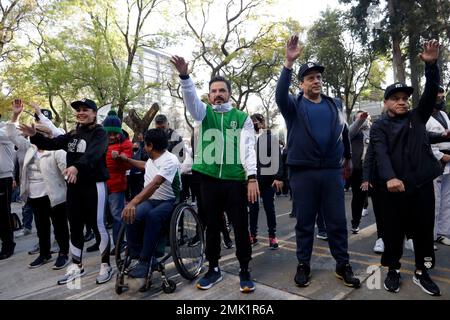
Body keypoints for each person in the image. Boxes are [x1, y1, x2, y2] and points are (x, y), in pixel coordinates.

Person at [275, 35, 360, 288]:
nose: (316, 81)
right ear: (301, 84)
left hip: (332, 172)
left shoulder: (335, 105)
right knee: (305, 222)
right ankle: (303, 264)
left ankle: (342, 264)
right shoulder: (294, 105)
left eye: (319, 77)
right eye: (310, 78)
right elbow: (280, 95)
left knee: (337, 222)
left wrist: (347, 157)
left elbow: (343, 132)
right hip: (303, 173)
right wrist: (288, 63)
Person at [171, 55, 259, 293]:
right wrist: (185, 78)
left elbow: (249, 148)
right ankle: (214, 269)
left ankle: (244, 270)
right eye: (213, 91)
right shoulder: (203, 114)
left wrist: (252, 177)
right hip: (208, 179)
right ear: (208, 95)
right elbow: (190, 102)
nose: (218, 94)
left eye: (222, 90)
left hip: (235, 180)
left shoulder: (241, 118)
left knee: (241, 227)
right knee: (210, 226)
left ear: (229, 93)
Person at [370, 40, 442, 296]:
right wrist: (389, 177)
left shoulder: (417, 117)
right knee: (393, 234)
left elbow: (431, 92)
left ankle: (422, 273)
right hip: (393, 190)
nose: (402, 102)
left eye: (405, 99)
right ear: (387, 102)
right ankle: (393, 269)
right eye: (396, 99)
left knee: (424, 233)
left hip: (421, 187)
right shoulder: (379, 126)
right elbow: (380, 153)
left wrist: (432, 66)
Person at [21, 98, 113, 285]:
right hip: (74, 187)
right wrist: (34, 135)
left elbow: (94, 154)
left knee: (98, 226)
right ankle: (77, 267)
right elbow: (53, 143)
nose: (80, 112)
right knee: (75, 226)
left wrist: (76, 167)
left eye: (85, 109)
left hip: (94, 185)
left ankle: (106, 266)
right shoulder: (73, 133)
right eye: (78, 110)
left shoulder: (100, 133)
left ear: (94, 113)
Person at [6, 99, 70, 269]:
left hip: (55, 196)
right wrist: (16, 114)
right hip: (35, 195)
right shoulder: (29, 148)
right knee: (41, 227)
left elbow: (66, 173)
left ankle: (64, 253)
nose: (34, 136)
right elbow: (12, 134)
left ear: (47, 135)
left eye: (38, 133)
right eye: (34, 133)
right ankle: (44, 253)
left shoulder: (57, 151)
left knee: (60, 227)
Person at [119, 128, 181, 278]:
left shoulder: (170, 160)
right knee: (131, 215)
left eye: (144, 144)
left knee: (152, 216)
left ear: (150, 146)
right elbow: (144, 165)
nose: (143, 147)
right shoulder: (153, 159)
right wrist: (127, 160)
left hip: (169, 201)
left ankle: (145, 260)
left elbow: (155, 183)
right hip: (151, 200)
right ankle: (137, 255)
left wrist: (133, 201)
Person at [248, 113, 284, 249]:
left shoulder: (271, 138)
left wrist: (278, 177)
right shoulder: (247, 139)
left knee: (270, 209)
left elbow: (278, 159)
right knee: (253, 209)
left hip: (268, 180)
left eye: (255, 122)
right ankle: (253, 235)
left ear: (262, 123)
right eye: (251, 122)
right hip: (252, 181)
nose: (253, 124)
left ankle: (272, 236)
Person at [102, 110, 133, 254]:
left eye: (115, 133)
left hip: (116, 186)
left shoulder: (126, 144)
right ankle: (102, 244)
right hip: (101, 185)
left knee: (116, 216)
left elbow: (128, 164)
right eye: (109, 134)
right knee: (100, 217)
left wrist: (120, 157)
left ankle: (119, 243)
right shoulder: (100, 142)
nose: (112, 137)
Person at [426, 86, 450, 246]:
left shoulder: (444, 115)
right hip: (433, 163)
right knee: (433, 201)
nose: (441, 100)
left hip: (449, 162)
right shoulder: (423, 117)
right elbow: (424, 142)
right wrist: (441, 156)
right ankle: (429, 236)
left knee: (447, 200)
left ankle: (442, 232)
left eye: (443, 97)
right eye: (438, 98)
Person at [348, 110, 372, 234]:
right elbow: (350, 131)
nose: (363, 119)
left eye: (365, 117)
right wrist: (360, 120)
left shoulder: (373, 130)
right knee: (358, 197)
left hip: (373, 169)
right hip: (358, 170)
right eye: (359, 118)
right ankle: (355, 223)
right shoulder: (353, 132)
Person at [0, 103, 16, 260]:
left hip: (3, 178)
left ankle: (8, 245)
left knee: (3, 214)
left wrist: (15, 116)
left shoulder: (4, 133)